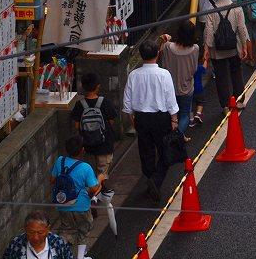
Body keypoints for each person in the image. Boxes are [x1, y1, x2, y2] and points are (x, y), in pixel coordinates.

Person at [122, 41, 178, 204]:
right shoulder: (164, 74)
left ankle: (151, 179)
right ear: (158, 54)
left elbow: (127, 103)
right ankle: (156, 180)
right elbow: (170, 99)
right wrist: (174, 118)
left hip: (141, 118)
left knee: (146, 152)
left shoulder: (133, 75)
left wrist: (132, 119)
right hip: (161, 118)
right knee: (165, 151)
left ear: (141, 55)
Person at [49, 135, 101, 259]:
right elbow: (94, 189)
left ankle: (60, 254)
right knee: (83, 230)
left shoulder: (60, 161)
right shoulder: (85, 167)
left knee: (66, 229)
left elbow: (52, 180)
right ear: (82, 150)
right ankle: (81, 257)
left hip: (63, 203)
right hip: (81, 205)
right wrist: (100, 179)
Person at [202, 0, 249, 109]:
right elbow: (242, 28)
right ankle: (239, 100)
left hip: (217, 49)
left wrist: (206, 49)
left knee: (221, 76)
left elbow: (209, 31)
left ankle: (225, 105)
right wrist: (244, 46)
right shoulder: (236, 7)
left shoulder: (211, 10)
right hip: (234, 47)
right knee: (236, 72)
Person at [70, 73, 117, 198]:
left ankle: (92, 192)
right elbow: (112, 121)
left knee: (89, 171)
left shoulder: (80, 104)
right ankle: (98, 192)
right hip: (104, 143)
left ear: (83, 87)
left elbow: (76, 125)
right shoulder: (105, 102)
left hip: (87, 144)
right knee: (102, 170)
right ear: (98, 86)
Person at [158, 22, 198, 138]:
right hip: (186, 87)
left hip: (169, 88)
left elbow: (161, 62)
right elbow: (194, 69)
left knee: (170, 114)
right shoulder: (195, 49)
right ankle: (176, 136)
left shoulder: (168, 47)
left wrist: (164, 40)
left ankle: (171, 137)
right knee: (185, 114)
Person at [1, 210, 76, 259]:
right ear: (25, 229)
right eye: (31, 232)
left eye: (40, 233)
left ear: (48, 229)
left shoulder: (58, 243)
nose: (35, 237)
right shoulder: (16, 244)